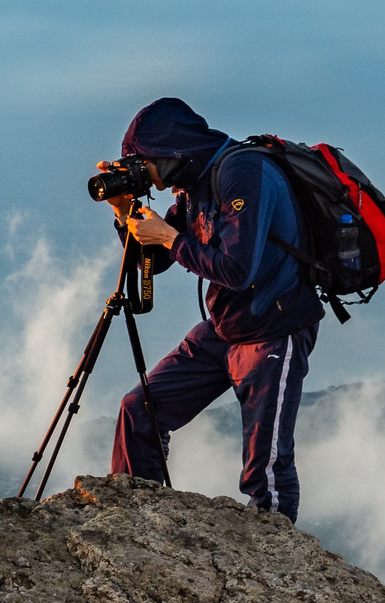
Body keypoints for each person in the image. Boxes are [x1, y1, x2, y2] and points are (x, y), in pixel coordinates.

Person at [102, 98, 322, 521]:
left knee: (265, 466)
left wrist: (169, 237)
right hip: (226, 327)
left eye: (143, 162)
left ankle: (274, 554)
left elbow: (237, 271)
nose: (144, 173)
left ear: (170, 153)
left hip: (274, 328)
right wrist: (124, 211)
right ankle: (136, 521)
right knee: (139, 409)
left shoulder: (241, 172)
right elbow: (158, 260)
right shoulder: (193, 183)